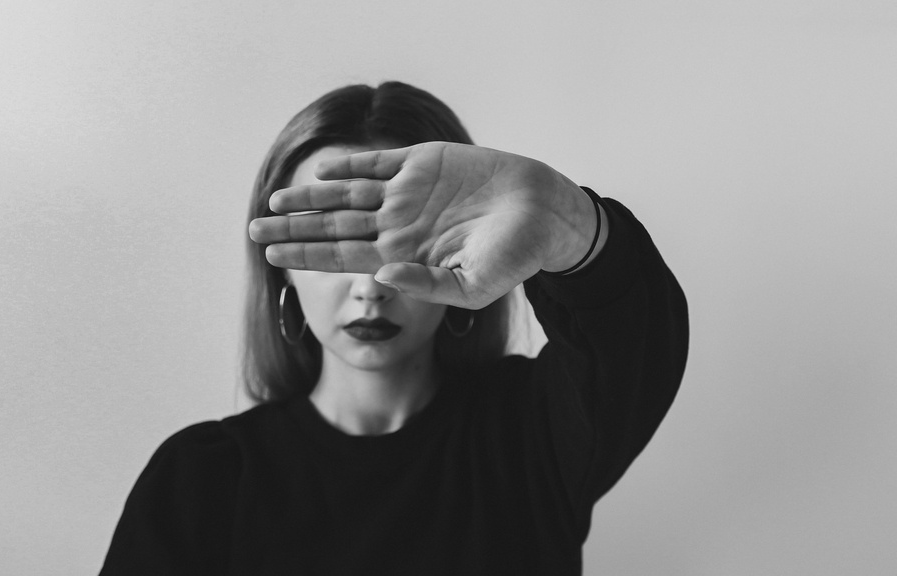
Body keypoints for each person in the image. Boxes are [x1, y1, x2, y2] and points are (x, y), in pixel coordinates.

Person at [99, 81, 689, 575]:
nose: (371, 284)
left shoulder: (531, 435)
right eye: (338, 240)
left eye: (401, 239)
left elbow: (635, 338)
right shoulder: (201, 482)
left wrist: (564, 219)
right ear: (281, 269)